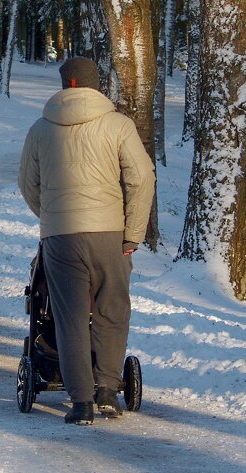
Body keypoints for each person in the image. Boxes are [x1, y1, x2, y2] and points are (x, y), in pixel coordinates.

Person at [18, 57, 155, 425]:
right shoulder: (117, 125)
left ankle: (81, 404)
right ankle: (108, 390)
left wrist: (52, 218)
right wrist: (133, 233)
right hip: (110, 233)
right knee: (112, 310)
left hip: (61, 237)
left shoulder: (40, 129)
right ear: (97, 84)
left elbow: (28, 184)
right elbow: (141, 178)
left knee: (69, 317)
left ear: (65, 84)